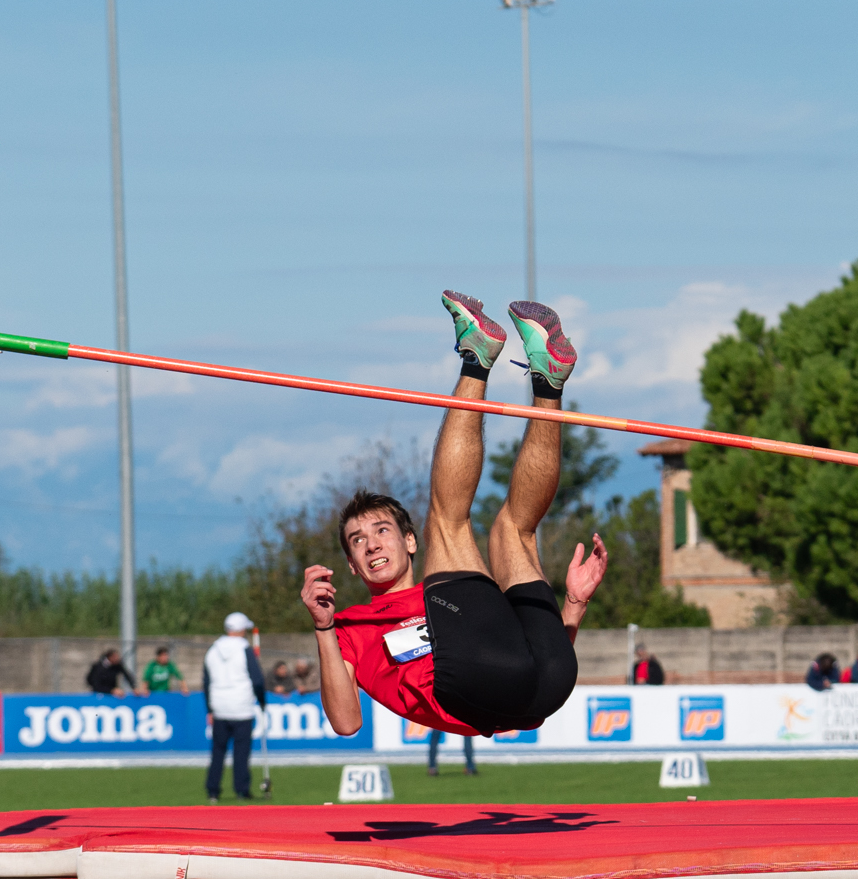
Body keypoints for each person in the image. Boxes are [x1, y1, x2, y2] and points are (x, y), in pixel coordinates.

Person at [305, 291, 607, 752]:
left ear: (410, 542)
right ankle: (476, 360)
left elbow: (525, 653)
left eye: (381, 530)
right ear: (351, 564)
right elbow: (346, 724)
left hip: (537, 682)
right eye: (357, 541)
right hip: (525, 691)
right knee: (450, 521)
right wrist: (324, 628)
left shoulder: (457, 595)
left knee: (513, 530)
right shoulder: (350, 629)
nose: (371, 544)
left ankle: (548, 384)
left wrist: (572, 610)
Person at [203, 610, 268, 802]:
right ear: (241, 630)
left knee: (217, 751)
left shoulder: (213, 649)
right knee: (241, 751)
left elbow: (206, 681)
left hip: (219, 706)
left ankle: (213, 791)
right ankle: (241, 789)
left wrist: (209, 709)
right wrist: (262, 700)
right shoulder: (245, 649)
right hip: (241, 706)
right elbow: (257, 679)